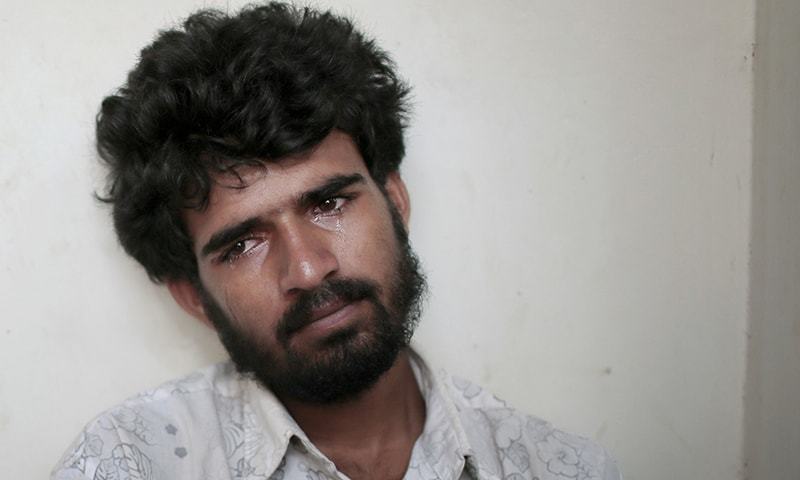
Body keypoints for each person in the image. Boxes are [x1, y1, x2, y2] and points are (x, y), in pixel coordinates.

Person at [52, 3, 621, 479]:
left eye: (328, 204)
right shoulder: (127, 462)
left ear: (395, 201)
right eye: (242, 245)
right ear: (194, 296)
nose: (307, 268)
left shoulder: (561, 468)